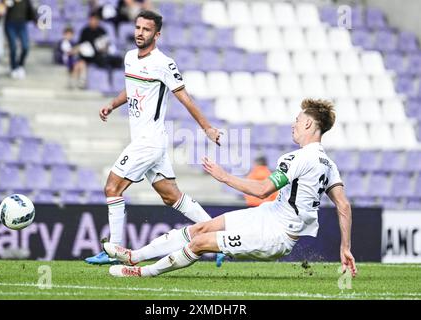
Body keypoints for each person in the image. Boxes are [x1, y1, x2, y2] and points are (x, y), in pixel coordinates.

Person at [102, 99, 358, 279]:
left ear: (309, 126)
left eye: (297, 120)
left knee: (200, 242)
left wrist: (224, 177)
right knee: (201, 228)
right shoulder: (328, 163)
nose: (293, 124)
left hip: (275, 233)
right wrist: (345, 247)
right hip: (268, 215)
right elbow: (343, 205)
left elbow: (261, 189)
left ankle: (142, 272)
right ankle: (135, 256)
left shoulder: (298, 158)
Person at [84, 10, 222, 265]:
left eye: (146, 29)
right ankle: (216, 235)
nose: (140, 32)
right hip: (146, 142)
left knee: (112, 187)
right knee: (172, 197)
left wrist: (208, 128)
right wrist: (112, 105)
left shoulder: (164, 63)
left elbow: (185, 99)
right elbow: (131, 89)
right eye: (137, 27)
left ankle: (113, 249)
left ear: (157, 34)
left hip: (149, 141)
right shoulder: (129, 58)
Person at [74, 12, 123, 89]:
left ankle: (116, 82)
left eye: (95, 20)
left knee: (117, 59)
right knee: (82, 62)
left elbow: (107, 43)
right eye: (92, 20)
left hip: (100, 54)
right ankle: (82, 83)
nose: (93, 22)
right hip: (88, 57)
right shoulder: (85, 31)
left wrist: (104, 48)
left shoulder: (102, 30)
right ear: (89, 20)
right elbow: (81, 45)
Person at [4, 0, 36, 80]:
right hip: (10, 24)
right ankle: (13, 68)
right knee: (13, 47)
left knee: (25, 46)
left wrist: (36, 21)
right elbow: (2, 7)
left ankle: (20, 65)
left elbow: (31, 11)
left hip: (22, 24)